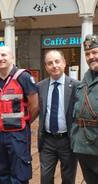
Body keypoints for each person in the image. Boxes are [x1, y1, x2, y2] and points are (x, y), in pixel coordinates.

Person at [0, 46, 39, 184]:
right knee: (2, 172)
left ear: (12, 57)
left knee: (19, 174)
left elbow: (35, 105)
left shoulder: (24, 76)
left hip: (18, 134)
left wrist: (25, 122)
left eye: (3, 55)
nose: (0, 58)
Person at [38, 50, 78, 184]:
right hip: (47, 140)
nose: (54, 65)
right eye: (50, 63)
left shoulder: (76, 86)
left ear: (64, 63)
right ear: (46, 67)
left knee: (68, 178)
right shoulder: (40, 86)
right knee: (45, 177)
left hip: (68, 140)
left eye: (57, 61)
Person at [71, 34, 98, 184]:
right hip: (83, 148)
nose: (91, 57)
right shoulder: (84, 81)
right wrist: (74, 139)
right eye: (88, 54)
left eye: (95, 52)